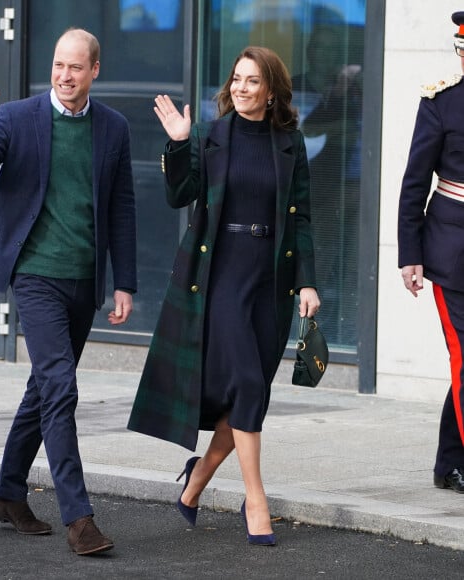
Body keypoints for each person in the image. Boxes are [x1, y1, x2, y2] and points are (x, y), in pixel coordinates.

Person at [0, 28, 137, 554]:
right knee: (61, 389)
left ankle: (9, 494)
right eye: (59, 65)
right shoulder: (18, 117)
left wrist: (125, 282)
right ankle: (80, 518)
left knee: (44, 388)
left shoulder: (114, 128)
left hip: (84, 280)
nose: (65, 75)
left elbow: (122, 205)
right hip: (34, 276)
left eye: (76, 67)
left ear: (95, 70)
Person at [128, 46, 320, 545]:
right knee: (250, 386)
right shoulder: (212, 136)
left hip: (270, 280)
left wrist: (307, 281)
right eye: (237, 79)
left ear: (272, 90)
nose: (241, 87)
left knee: (247, 393)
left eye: (252, 81)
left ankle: (197, 478)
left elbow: (301, 217)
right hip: (221, 273)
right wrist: (176, 144)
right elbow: (179, 193)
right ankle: (256, 500)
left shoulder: (289, 142)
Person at [398, 11, 464, 495]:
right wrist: (410, 253)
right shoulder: (442, 102)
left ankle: (448, 462)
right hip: (452, 253)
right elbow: (415, 182)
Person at [291, 23, 362, 345]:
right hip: (311, 194)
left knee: (347, 270)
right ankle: (304, 336)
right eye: (318, 45)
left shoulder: (351, 91)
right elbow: (305, 132)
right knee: (314, 267)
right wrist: (342, 127)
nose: (324, 53)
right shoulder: (294, 88)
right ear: (309, 51)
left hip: (351, 191)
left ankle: (340, 334)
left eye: (331, 47)